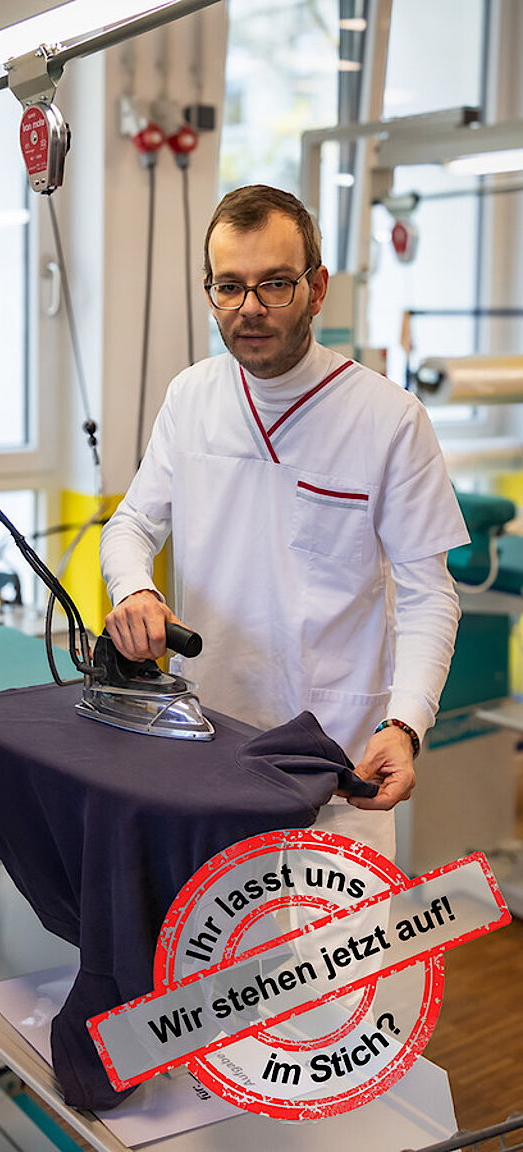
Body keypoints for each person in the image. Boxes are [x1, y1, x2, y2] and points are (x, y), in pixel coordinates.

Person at [99, 185, 470, 859]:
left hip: (338, 766)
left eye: (274, 284)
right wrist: (135, 590)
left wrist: (407, 723)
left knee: (335, 932)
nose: (250, 308)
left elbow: (429, 596)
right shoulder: (192, 397)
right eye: (229, 286)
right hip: (207, 745)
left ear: (316, 288)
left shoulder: (388, 419)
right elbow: (131, 525)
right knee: (209, 928)